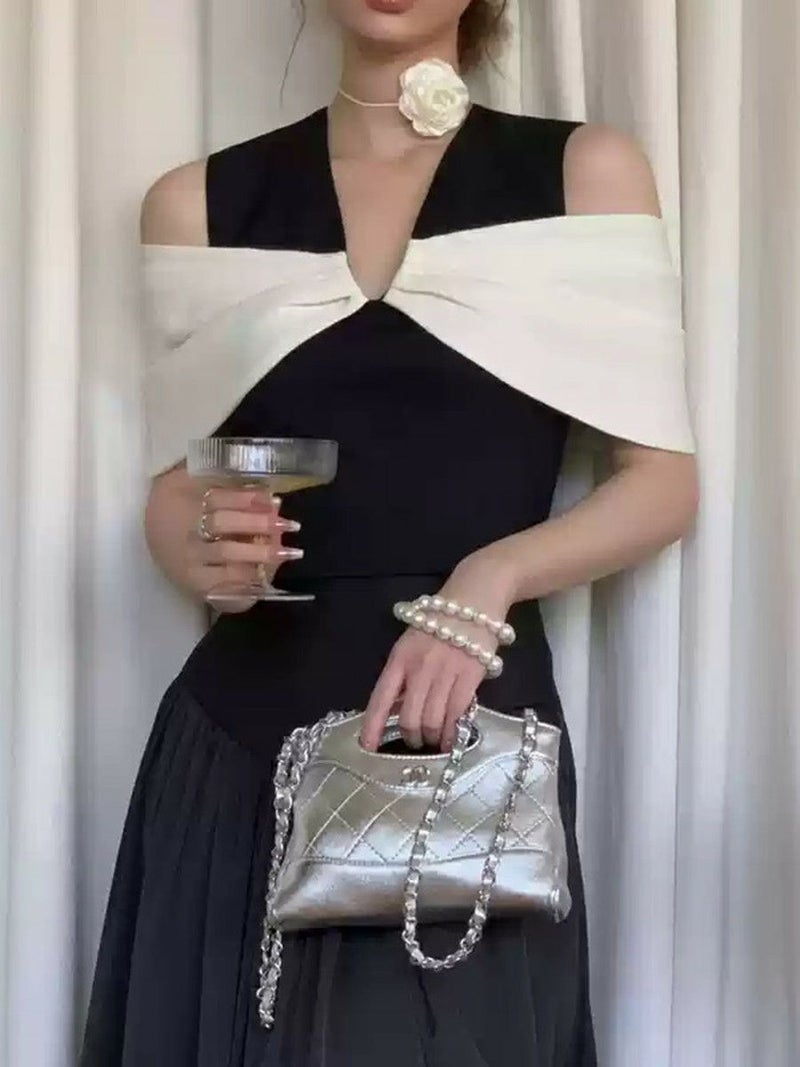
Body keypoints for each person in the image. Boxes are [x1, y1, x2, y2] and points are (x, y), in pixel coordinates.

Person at [80, 1, 699, 1063]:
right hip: (241, 736)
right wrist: (199, 540)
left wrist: (489, 578)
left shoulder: (583, 173)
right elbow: (179, 488)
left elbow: (662, 485)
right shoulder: (195, 201)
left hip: (465, 742)